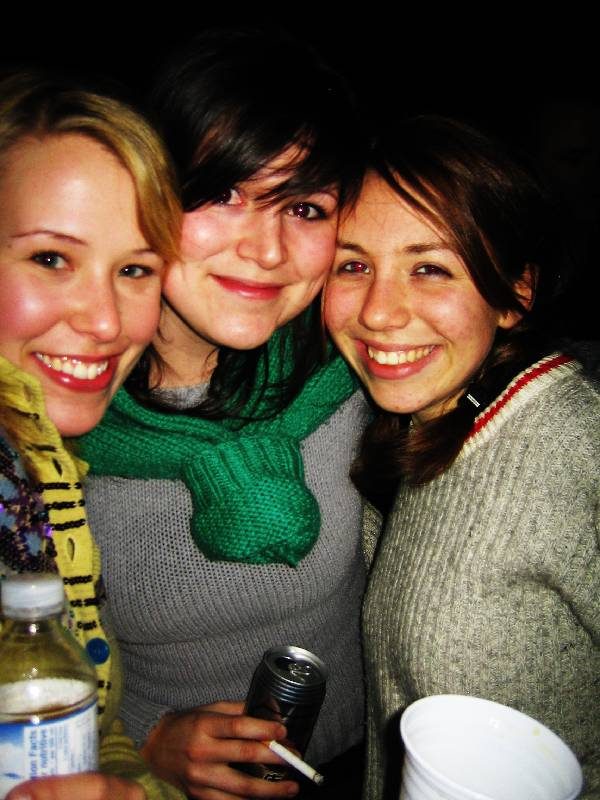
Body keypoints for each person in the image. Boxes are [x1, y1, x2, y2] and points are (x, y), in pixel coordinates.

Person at [79, 27, 370, 800]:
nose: (267, 250)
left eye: (304, 206)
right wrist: (146, 741)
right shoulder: (57, 425)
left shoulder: (356, 371)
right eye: (222, 193)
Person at [324, 116, 599, 798]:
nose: (379, 312)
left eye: (430, 268)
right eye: (352, 265)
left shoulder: (575, 447)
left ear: (516, 293)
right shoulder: (411, 422)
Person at [0, 71, 185, 800]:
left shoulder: (43, 464)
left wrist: (138, 783)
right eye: (52, 259)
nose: (106, 322)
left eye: (135, 269)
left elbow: (76, 726)